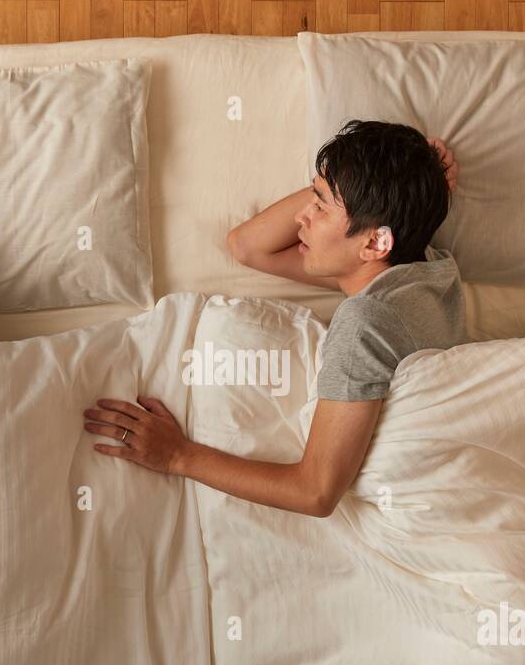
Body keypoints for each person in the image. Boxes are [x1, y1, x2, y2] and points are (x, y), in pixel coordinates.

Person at [82, 119, 468, 517]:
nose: (302, 216)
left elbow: (315, 492)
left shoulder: (363, 325)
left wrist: (177, 456)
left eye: (319, 206)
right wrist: (407, 179)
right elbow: (247, 246)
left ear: (373, 242)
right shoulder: (430, 267)